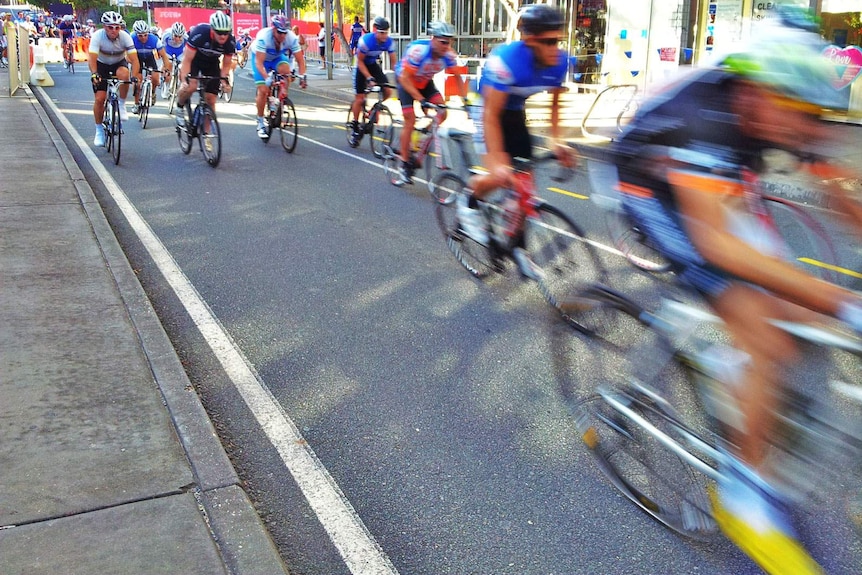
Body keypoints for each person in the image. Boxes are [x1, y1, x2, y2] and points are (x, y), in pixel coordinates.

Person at [608, 9, 862, 574]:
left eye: (809, 116)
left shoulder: (785, 101)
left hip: (716, 179)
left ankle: (733, 374)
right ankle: (744, 493)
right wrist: (845, 304)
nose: (801, 129)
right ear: (752, 91)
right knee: (760, 321)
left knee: (801, 313)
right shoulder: (704, 115)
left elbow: (841, 194)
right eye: (791, 115)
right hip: (650, 184)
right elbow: (722, 247)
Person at [456, 4, 573, 277]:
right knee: (500, 175)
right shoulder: (506, 60)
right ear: (529, 40)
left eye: (559, 41)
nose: (556, 49)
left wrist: (557, 142)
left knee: (524, 187)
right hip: (487, 111)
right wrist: (497, 163)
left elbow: (555, 106)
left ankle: (518, 248)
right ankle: (468, 202)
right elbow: (491, 117)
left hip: (516, 112)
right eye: (550, 42)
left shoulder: (560, 62)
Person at [394, 21, 465, 184]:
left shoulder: (448, 55)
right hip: (406, 82)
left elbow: (458, 77)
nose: (447, 46)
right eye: (443, 42)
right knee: (410, 120)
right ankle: (404, 164)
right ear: (433, 39)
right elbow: (405, 78)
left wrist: (465, 101)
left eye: (450, 42)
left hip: (425, 82)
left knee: (443, 112)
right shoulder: (418, 52)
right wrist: (421, 100)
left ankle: (423, 135)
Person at [175, 11, 235, 131]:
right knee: (190, 87)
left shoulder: (230, 42)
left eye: (226, 33)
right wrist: (184, 80)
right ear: (212, 30)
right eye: (219, 32)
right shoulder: (200, 33)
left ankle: (206, 134)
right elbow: (187, 60)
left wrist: (224, 82)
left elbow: (226, 65)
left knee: (211, 99)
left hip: (212, 63)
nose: (223, 36)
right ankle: (180, 107)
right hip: (194, 61)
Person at [250, 14, 307, 139]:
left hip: (276, 58)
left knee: (286, 71)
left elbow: (301, 60)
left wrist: (303, 76)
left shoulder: (291, 37)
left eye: (284, 33)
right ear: (273, 29)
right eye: (279, 32)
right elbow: (259, 63)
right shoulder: (264, 37)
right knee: (264, 90)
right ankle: (260, 123)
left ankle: (281, 97)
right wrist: (266, 77)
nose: (282, 36)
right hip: (261, 59)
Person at [88, 11, 140, 147]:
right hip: (101, 65)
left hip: (118, 63)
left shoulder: (125, 37)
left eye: (117, 27)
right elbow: (92, 59)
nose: (114, 30)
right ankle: (99, 130)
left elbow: (134, 60)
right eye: (110, 27)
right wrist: (94, 73)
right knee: (100, 99)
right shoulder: (97, 36)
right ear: (104, 27)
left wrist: (134, 77)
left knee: (124, 74)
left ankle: (121, 104)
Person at [348, 16, 396, 146]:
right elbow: (361, 62)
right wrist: (368, 78)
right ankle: (355, 125)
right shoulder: (366, 41)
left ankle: (374, 110)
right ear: (375, 30)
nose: (384, 36)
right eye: (381, 33)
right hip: (360, 65)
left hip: (372, 64)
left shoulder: (388, 42)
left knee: (387, 90)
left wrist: (400, 77)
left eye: (386, 33)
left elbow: (393, 62)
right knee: (360, 98)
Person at [130, 20, 170, 113]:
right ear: (136, 34)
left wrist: (167, 69)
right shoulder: (131, 39)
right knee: (137, 82)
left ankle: (152, 93)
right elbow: (127, 56)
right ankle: (136, 104)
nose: (143, 38)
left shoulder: (154, 39)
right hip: (136, 58)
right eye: (140, 35)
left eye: (145, 35)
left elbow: (164, 56)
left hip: (149, 57)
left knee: (156, 78)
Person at [161, 21, 186, 99]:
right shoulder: (166, 35)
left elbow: (187, 51)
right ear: (172, 34)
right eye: (175, 36)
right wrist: (165, 61)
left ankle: (178, 83)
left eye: (180, 36)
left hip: (180, 51)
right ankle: (165, 85)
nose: (177, 39)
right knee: (168, 65)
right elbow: (162, 49)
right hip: (169, 50)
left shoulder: (186, 38)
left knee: (182, 67)